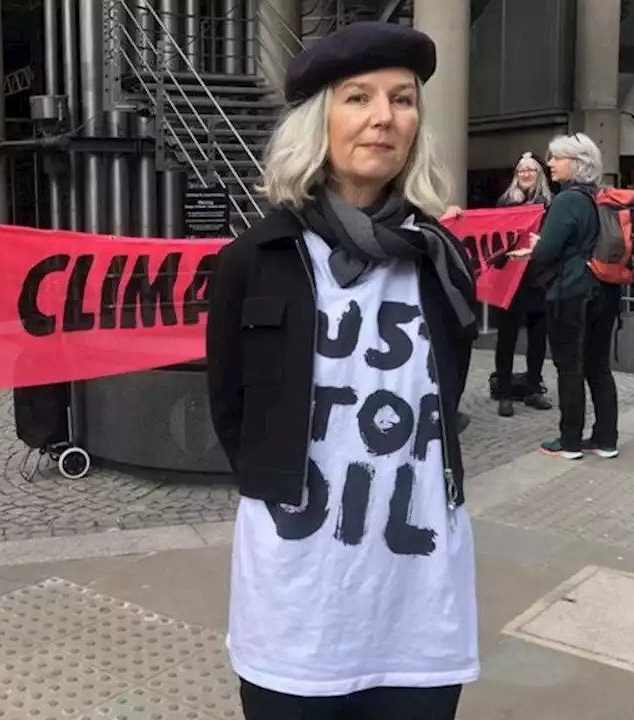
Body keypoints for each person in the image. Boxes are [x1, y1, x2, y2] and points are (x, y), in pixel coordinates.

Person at [205, 22, 479, 720]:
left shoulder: (441, 260)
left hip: (418, 599)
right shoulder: (254, 260)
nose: (384, 117)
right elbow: (231, 411)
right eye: (357, 98)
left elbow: (444, 400)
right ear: (316, 121)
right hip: (298, 603)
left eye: (403, 99)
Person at [515, 133, 620, 460]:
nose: (550, 164)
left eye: (557, 158)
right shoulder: (600, 197)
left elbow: (547, 252)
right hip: (605, 289)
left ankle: (570, 440)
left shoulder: (567, 200)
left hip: (572, 294)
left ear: (576, 164)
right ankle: (605, 439)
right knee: (599, 367)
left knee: (569, 367)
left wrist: (534, 247)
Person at [490, 152, 553, 417]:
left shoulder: (549, 204)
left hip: (537, 277)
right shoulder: (505, 202)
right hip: (511, 277)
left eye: (530, 170)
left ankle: (533, 388)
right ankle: (504, 391)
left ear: (539, 174)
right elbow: (494, 237)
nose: (525, 174)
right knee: (507, 336)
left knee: (538, 337)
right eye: (521, 170)